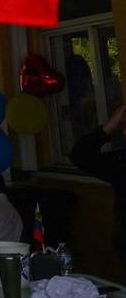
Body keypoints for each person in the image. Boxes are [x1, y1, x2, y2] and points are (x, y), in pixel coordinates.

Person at [70, 103, 126, 272]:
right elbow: (80, 155)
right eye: (122, 127)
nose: (123, 133)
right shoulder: (121, 161)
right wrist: (108, 127)